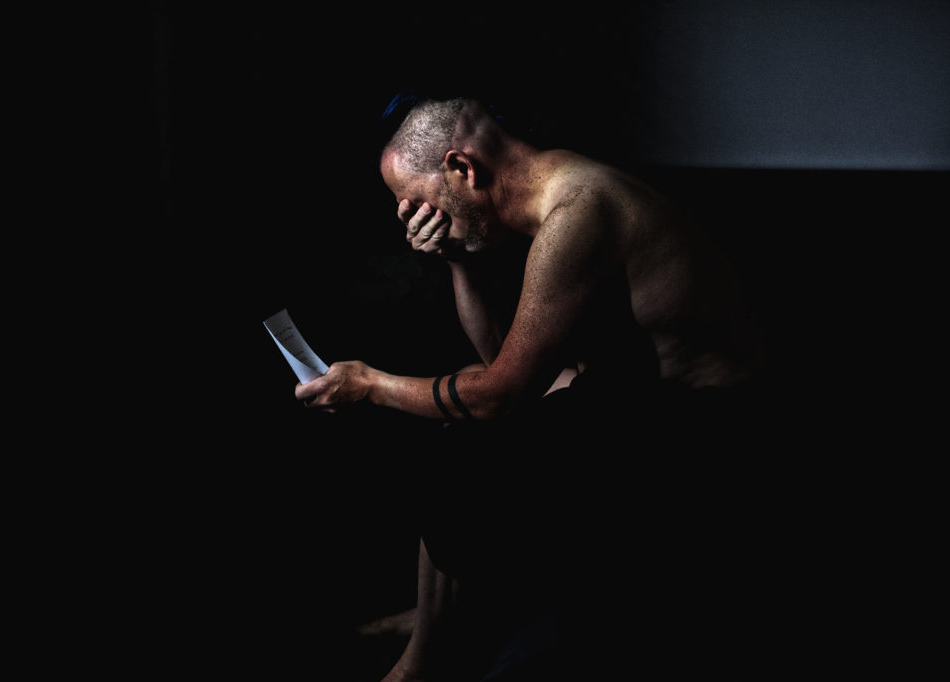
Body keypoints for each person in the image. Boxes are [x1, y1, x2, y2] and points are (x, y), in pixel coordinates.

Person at [295, 94, 774, 679]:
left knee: (462, 452)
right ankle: (433, 620)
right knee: (463, 429)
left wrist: (369, 383)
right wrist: (456, 259)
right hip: (634, 399)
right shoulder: (554, 191)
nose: (411, 219)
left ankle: (424, 657)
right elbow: (504, 362)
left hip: (710, 426)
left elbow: (499, 395)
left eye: (413, 202)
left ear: (461, 169)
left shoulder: (576, 215)